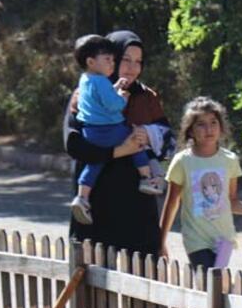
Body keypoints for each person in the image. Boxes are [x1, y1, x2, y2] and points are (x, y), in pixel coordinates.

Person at [65, 30, 173, 255]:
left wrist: (149, 134)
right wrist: (120, 150)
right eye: (125, 59)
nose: (132, 68)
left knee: (141, 277)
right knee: (94, 277)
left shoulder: (146, 97)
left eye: (138, 62)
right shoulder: (86, 95)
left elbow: (169, 143)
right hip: (97, 207)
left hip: (138, 212)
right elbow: (74, 145)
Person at [158, 97, 242, 268]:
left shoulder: (229, 160)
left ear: (221, 127)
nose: (209, 129)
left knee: (216, 287)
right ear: (190, 130)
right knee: (208, 279)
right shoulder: (182, 161)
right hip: (196, 239)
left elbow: (231, 201)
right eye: (201, 124)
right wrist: (161, 241)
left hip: (223, 239)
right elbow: (172, 203)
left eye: (213, 122)